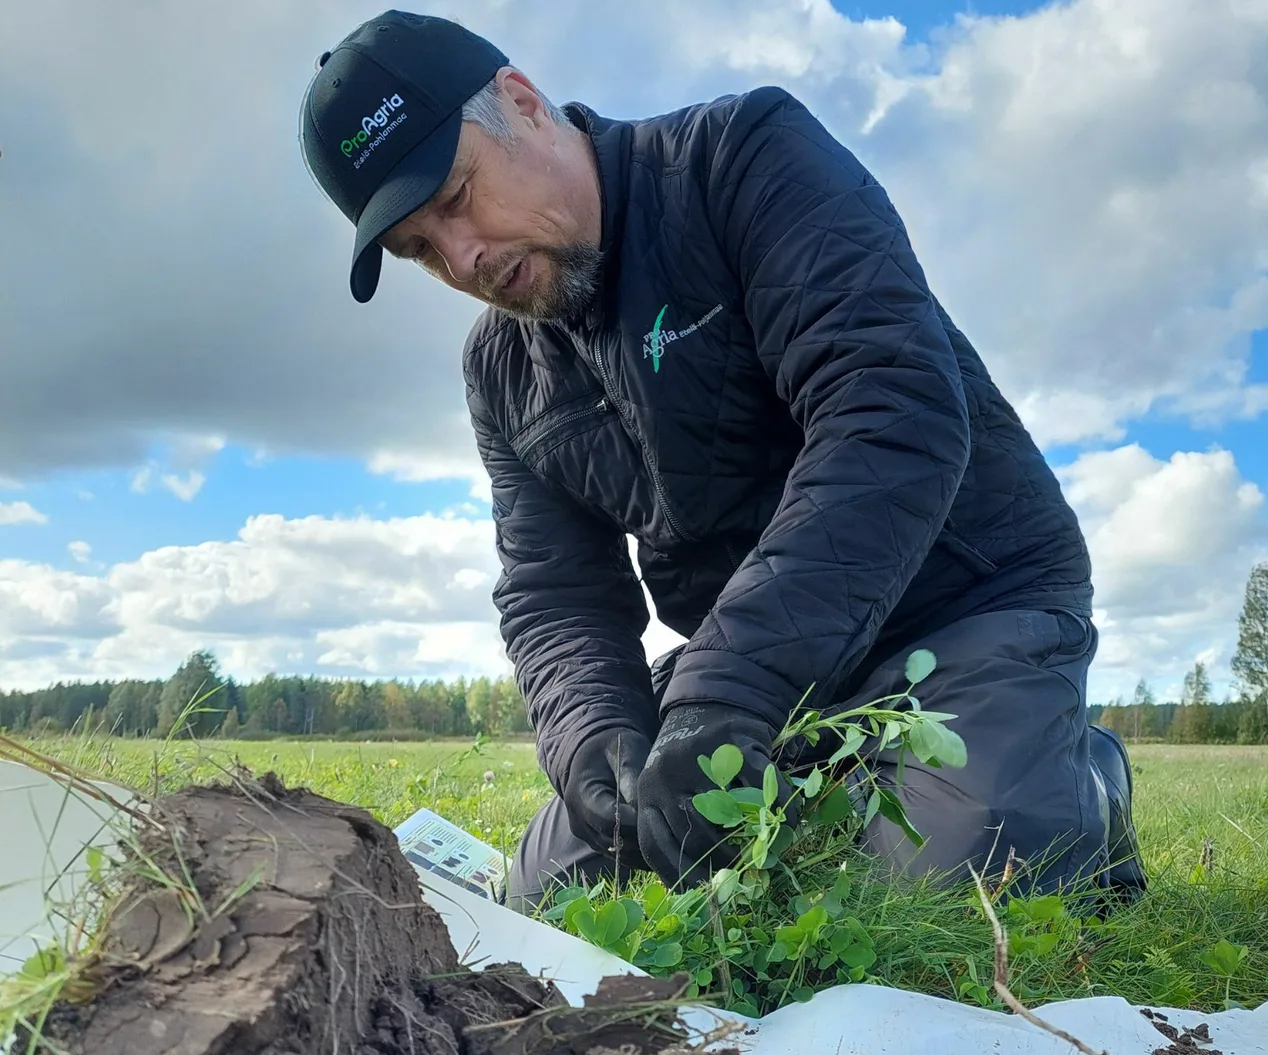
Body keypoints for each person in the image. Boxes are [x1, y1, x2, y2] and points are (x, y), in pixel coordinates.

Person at [299, 9, 1146, 913]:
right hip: (758, 681)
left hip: (962, 606)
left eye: (458, 196)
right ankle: (837, 787)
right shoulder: (500, 368)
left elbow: (890, 415)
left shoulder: (742, 160)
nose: (461, 257)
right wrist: (597, 743)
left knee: (956, 881)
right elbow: (554, 593)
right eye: (419, 249)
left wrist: (727, 688)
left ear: (521, 102)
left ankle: (1078, 771)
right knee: (560, 896)